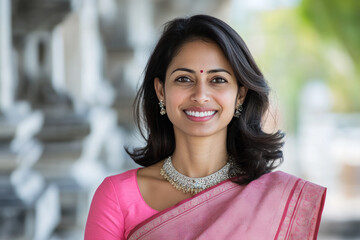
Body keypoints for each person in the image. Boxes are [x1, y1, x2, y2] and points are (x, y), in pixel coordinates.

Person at [85, 15, 326, 240]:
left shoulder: (274, 198)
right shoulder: (117, 197)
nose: (201, 96)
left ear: (240, 95)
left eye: (218, 80)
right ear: (161, 91)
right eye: (184, 79)